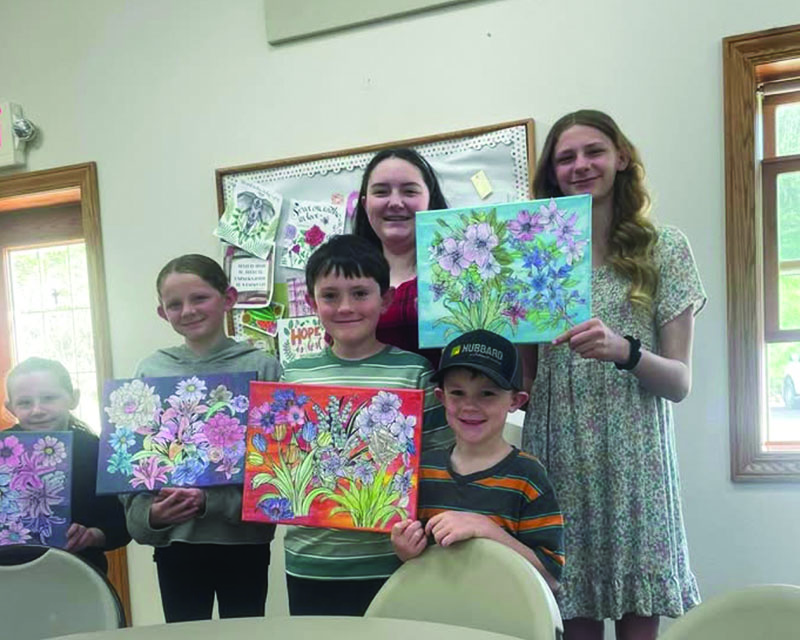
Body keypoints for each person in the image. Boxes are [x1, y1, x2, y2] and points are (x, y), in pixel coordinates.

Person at [522, 110, 706, 640]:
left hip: (635, 463)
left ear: (621, 157)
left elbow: (679, 383)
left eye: (594, 151)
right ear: (552, 173)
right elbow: (528, 382)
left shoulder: (664, 248)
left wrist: (625, 350)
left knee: (637, 618)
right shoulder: (535, 257)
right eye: (566, 157)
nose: (580, 165)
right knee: (571, 613)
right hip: (558, 453)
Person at [281, 234, 454, 616]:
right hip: (311, 561)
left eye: (360, 293)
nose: (345, 307)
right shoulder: (293, 376)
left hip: (392, 562)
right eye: (330, 296)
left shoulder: (414, 372)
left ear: (386, 299)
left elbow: (439, 466)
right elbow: (285, 462)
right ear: (311, 302)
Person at [122, 254, 281, 623]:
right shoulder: (150, 370)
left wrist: (213, 502)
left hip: (244, 541)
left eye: (199, 298)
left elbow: (275, 467)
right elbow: (132, 463)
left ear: (228, 298)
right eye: (174, 304)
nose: (188, 311)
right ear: (162, 313)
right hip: (177, 540)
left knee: (244, 632)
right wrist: (149, 515)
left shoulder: (263, 367)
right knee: (183, 632)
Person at [391, 329, 564, 592]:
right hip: (432, 608)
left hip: (503, 611)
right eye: (457, 392)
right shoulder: (421, 471)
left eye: (487, 394)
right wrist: (405, 550)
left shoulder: (528, 477)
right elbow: (414, 557)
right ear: (441, 397)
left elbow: (551, 578)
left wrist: (486, 529)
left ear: (516, 401)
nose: (470, 406)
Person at [4, 357, 130, 573]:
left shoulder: (98, 450)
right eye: (25, 402)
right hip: (8, 573)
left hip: (80, 572)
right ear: (10, 408)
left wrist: (92, 536)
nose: (37, 410)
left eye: (49, 398)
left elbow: (121, 523)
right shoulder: (3, 449)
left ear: (74, 398)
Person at [353, 147, 449, 366]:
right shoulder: (346, 277)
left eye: (409, 191)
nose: (395, 202)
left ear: (430, 200)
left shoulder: (463, 272)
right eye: (381, 192)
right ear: (365, 204)